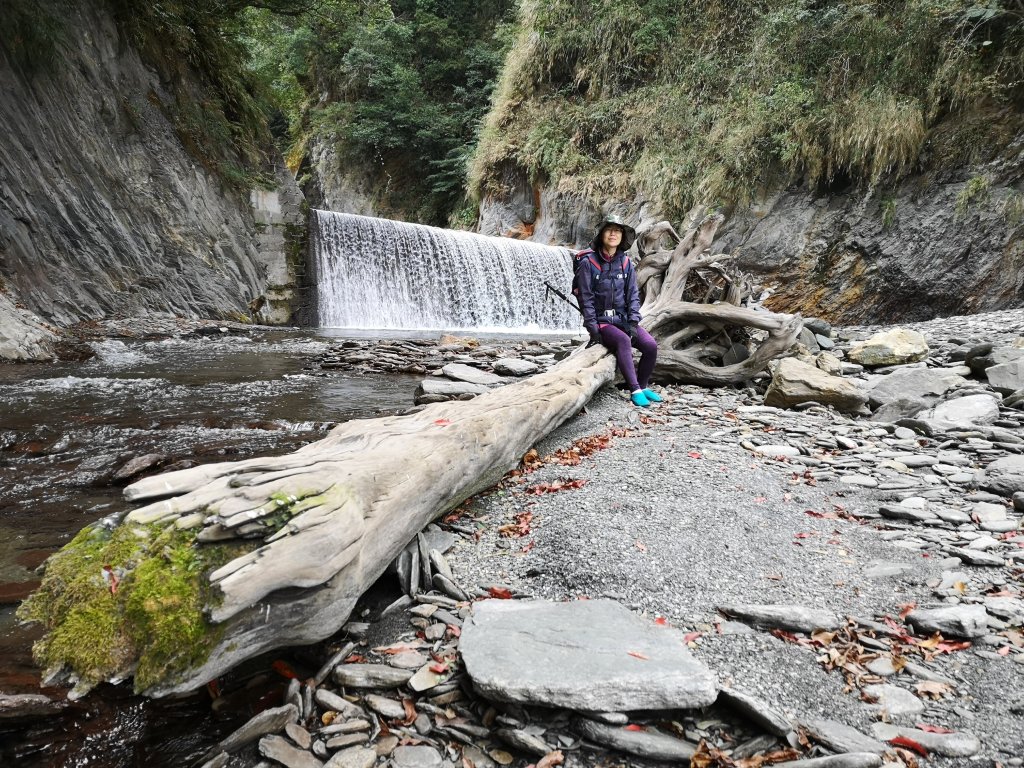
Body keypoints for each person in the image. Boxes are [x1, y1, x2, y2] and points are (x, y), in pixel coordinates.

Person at [573, 215, 662, 407]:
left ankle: (644, 385)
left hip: (623, 319)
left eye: (618, 230)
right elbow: (585, 298)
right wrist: (593, 328)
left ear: (623, 236)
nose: (613, 234)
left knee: (650, 346)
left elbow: (632, 295)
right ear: (601, 234)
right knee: (622, 340)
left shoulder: (626, 263)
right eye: (609, 229)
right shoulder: (589, 263)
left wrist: (632, 322)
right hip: (601, 321)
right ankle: (635, 389)